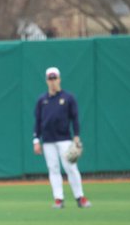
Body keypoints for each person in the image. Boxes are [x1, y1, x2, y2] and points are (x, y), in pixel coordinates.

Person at [33, 66, 91, 209]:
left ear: (59, 79)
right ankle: (58, 199)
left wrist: (76, 136)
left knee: (71, 168)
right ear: (46, 81)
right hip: (48, 141)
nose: (52, 81)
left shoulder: (68, 98)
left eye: (55, 78)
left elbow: (75, 118)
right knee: (53, 169)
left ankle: (80, 197)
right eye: (50, 79)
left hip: (64, 139)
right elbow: (37, 121)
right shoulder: (42, 100)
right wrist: (36, 140)